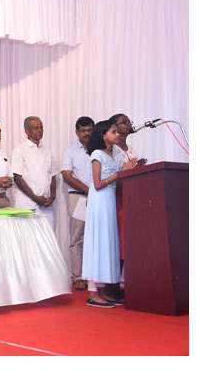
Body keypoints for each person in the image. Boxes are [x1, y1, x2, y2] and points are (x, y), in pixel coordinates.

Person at [82, 120, 138, 307]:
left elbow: (117, 181)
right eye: (113, 132)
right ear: (103, 135)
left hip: (110, 200)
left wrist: (132, 169)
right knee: (97, 242)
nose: (117, 134)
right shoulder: (97, 154)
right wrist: (121, 173)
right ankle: (92, 292)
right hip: (99, 201)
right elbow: (97, 184)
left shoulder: (114, 154)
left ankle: (103, 290)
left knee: (107, 244)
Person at [108, 113, 147, 297]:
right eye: (124, 122)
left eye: (129, 121)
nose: (129, 124)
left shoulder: (130, 149)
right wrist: (128, 171)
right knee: (118, 244)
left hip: (132, 199)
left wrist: (139, 168)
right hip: (117, 200)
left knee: (130, 243)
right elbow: (112, 177)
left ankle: (131, 283)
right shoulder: (112, 150)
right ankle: (113, 285)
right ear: (114, 127)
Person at [61, 116, 95, 291]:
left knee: (97, 237)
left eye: (89, 130)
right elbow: (67, 176)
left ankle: (96, 276)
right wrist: (89, 191)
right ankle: (79, 276)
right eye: (83, 131)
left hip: (99, 198)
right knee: (77, 238)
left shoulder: (100, 149)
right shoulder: (71, 151)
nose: (86, 134)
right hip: (78, 197)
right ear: (77, 132)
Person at [12, 116, 59, 230]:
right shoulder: (20, 150)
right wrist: (34, 197)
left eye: (41, 127)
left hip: (45, 205)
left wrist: (52, 196)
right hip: (27, 204)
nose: (40, 130)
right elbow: (17, 177)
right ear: (27, 131)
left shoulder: (46, 150)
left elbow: (52, 175)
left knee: (48, 240)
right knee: (28, 241)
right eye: (36, 128)